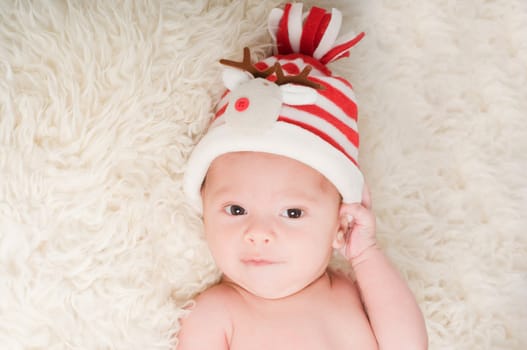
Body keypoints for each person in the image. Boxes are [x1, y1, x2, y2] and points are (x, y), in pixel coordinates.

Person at [178, 3, 428, 349]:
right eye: (236, 209)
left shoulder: (347, 295)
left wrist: (365, 254)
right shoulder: (217, 313)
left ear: (339, 225)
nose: (259, 234)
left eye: (293, 213)